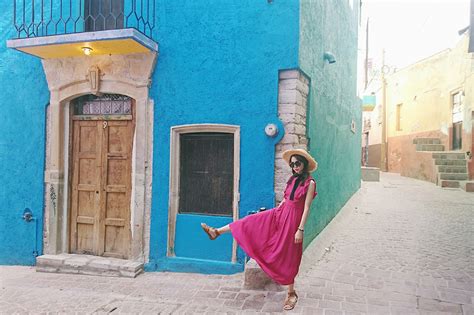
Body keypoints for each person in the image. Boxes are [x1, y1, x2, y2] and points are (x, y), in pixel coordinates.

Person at [201, 148, 318, 311]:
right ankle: (217, 232)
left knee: (290, 255)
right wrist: (279, 208)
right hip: (280, 214)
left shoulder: (310, 183)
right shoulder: (291, 180)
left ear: (304, 164)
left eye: (297, 163)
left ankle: (291, 293)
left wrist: (300, 229)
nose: (295, 167)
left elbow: (306, 208)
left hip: (293, 222)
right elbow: (285, 199)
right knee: (249, 222)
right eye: (292, 164)